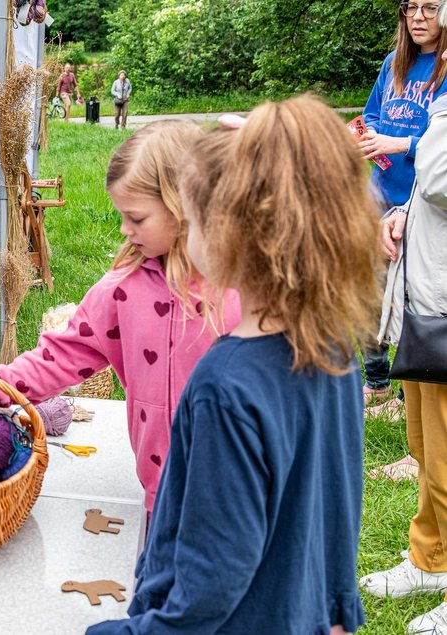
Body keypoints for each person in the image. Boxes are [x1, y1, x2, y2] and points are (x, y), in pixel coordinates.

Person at [88, 95, 379, 634]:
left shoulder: (225, 386)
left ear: (230, 235)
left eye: (194, 217)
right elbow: (339, 503)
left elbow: (208, 588)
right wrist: (339, 610)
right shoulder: (333, 344)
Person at [0, 120, 241, 517]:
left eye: (136, 218)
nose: (124, 229)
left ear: (185, 205)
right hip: (160, 494)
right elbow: (58, 357)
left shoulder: (243, 287)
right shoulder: (122, 290)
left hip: (242, 494)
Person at [360, 30, 447, 635]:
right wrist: (403, 213)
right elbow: (430, 187)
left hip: (441, 294)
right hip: (428, 293)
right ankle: (431, 557)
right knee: (427, 441)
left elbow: (438, 174)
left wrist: (418, 139)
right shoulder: (422, 79)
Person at [359, 0, 447, 416]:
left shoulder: (445, 66)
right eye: (411, 7)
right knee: (367, 294)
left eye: (430, 8)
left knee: (414, 303)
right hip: (378, 195)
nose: (418, 17)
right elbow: (372, 114)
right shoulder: (394, 61)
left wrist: (401, 143)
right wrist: (368, 136)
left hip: (421, 205)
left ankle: (406, 394)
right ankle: (376, 383)